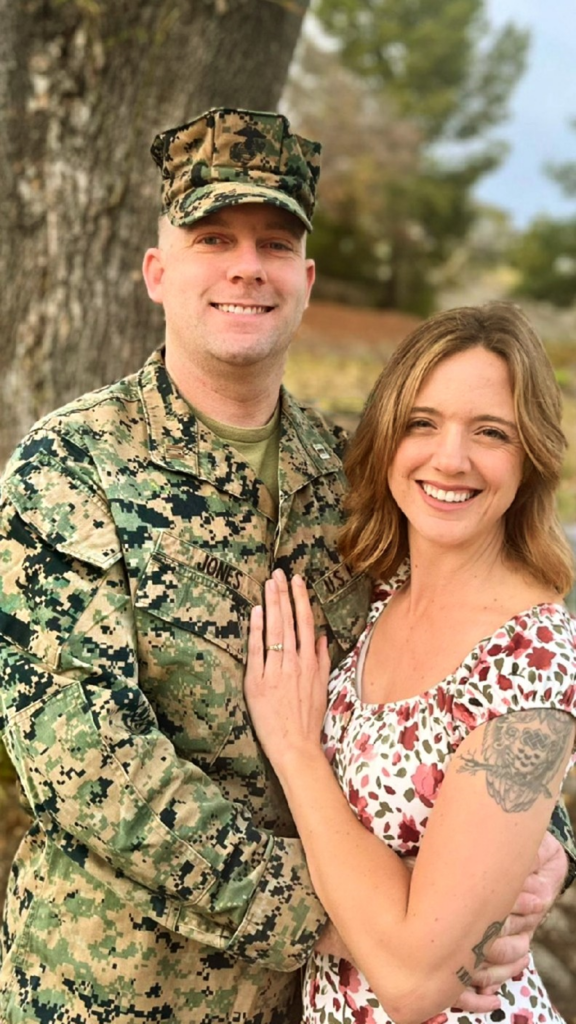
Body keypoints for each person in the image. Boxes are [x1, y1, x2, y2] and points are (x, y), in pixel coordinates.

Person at [0, 106, 571, 1024]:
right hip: (112, 992)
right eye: (211, 237)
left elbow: (463, 675)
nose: (245, 266)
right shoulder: (67, 471)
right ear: (157, 271)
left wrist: (543, 843)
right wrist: (377, 925)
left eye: (274, 243)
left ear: (305, 280)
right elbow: (87, 766)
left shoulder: (360, 481)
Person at [244, 302, 576, 1024]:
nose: (449, 458)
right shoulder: (379, 592)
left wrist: (298, 751)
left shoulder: (530, 658)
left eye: (491, 432)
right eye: (422, 423)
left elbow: (419, 983)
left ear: (532, 456)